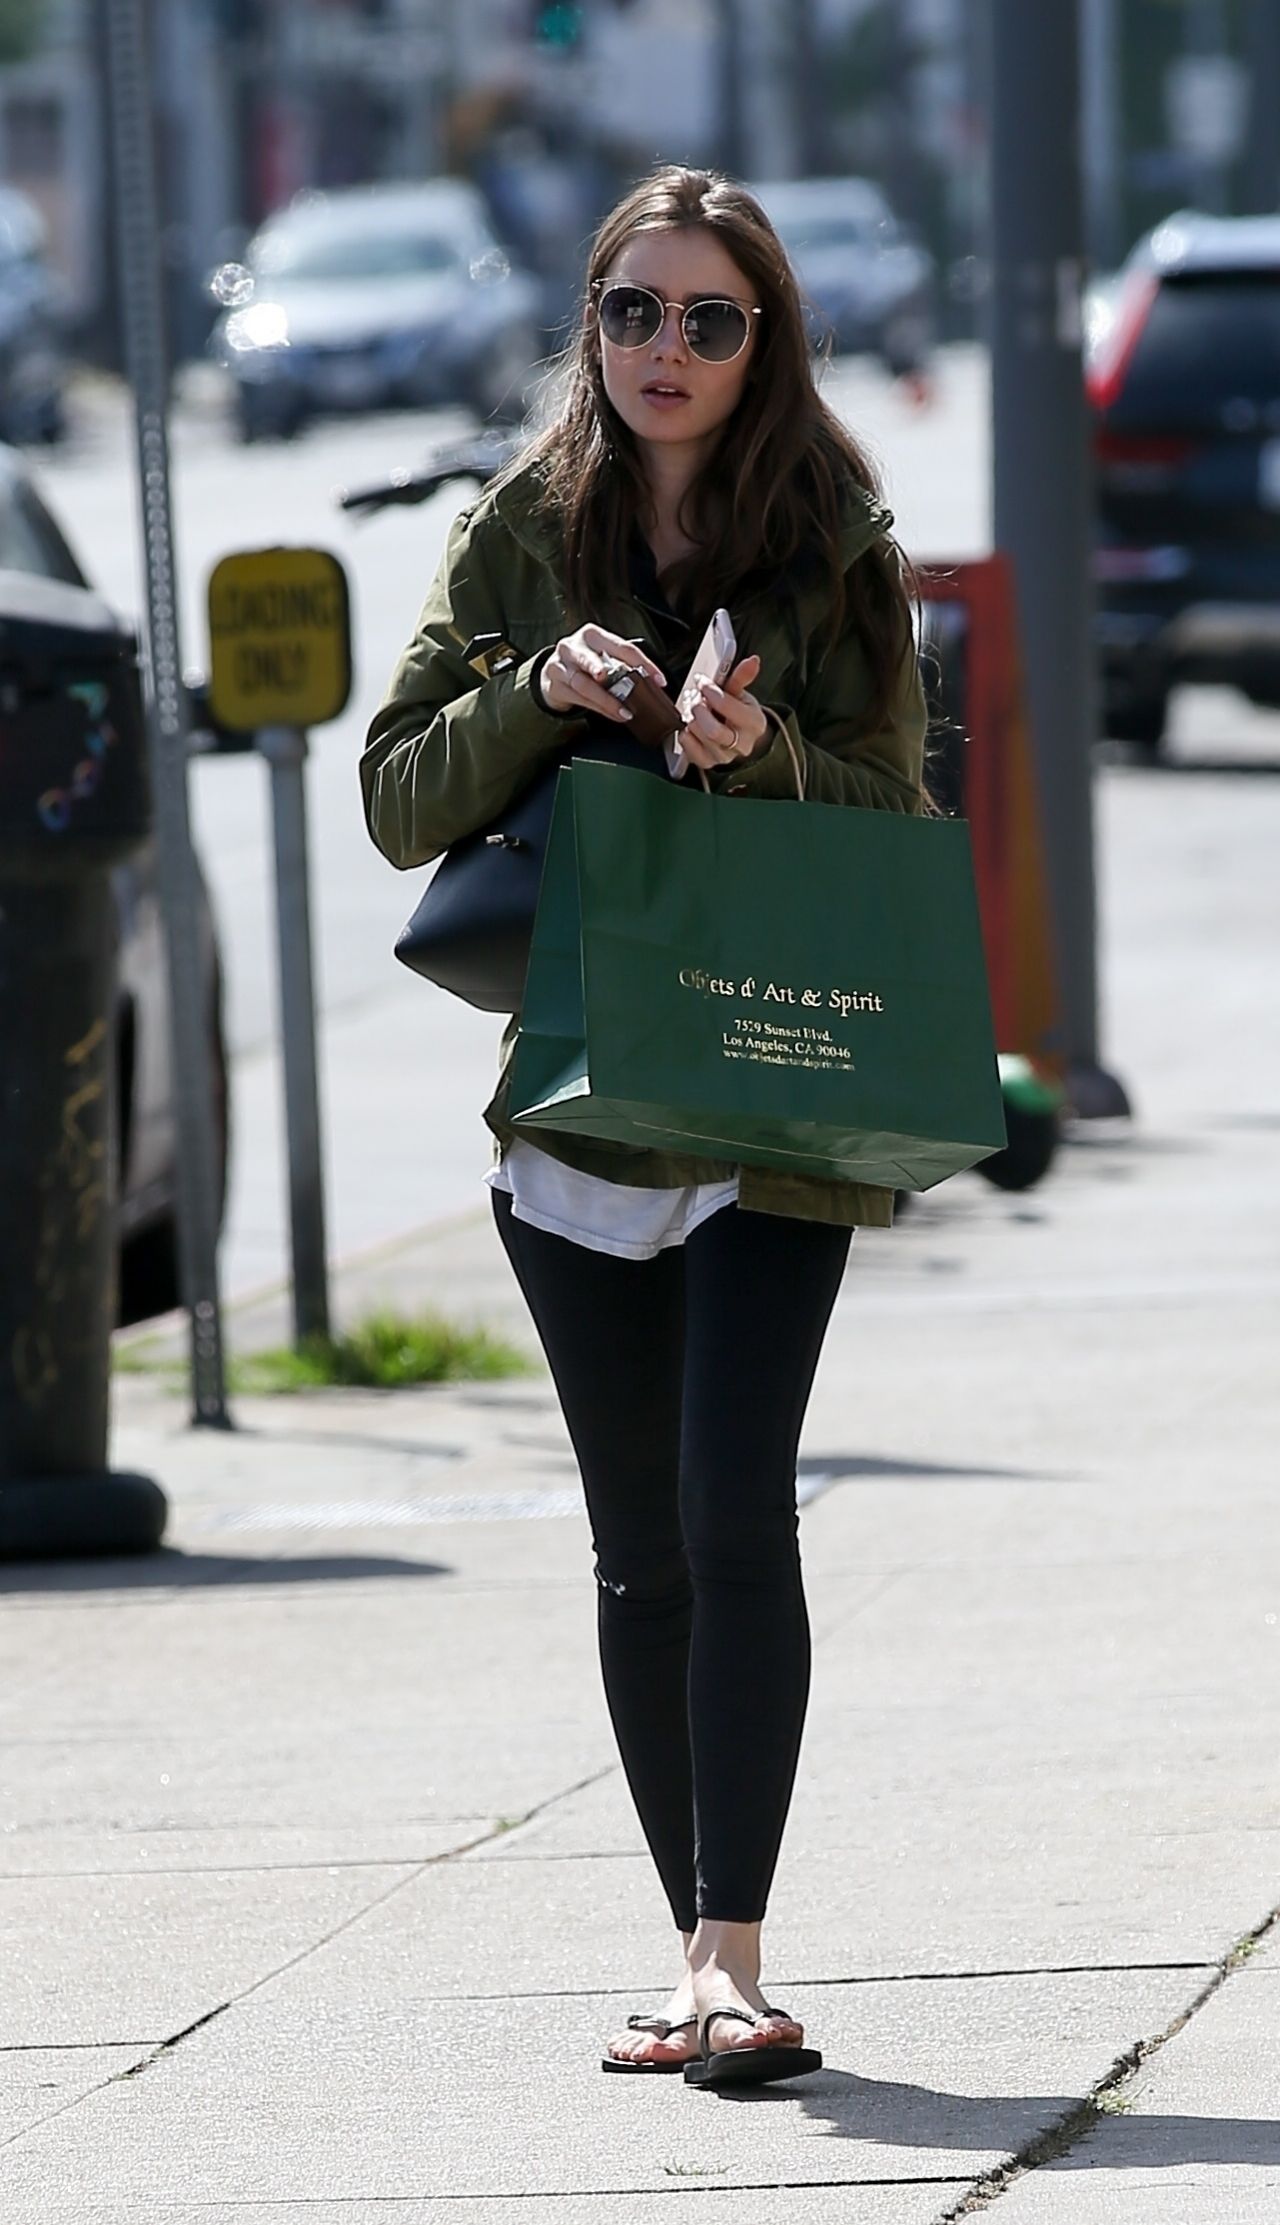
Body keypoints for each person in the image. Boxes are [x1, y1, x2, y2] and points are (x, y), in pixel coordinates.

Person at [361, 165, 928, 2087]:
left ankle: (734, 1954)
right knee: (637, 1554)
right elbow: (394, 799)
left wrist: (763, 757)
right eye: (631, 313)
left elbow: (902, 828)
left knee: (729, 1508)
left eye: (708, 319)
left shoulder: (833, 540)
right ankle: (687, 1950)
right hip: (583, 1120)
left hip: (772, 1098)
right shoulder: (522, 532)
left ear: (767, 340)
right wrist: (538, 691)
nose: (663, 351)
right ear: (587, 327)